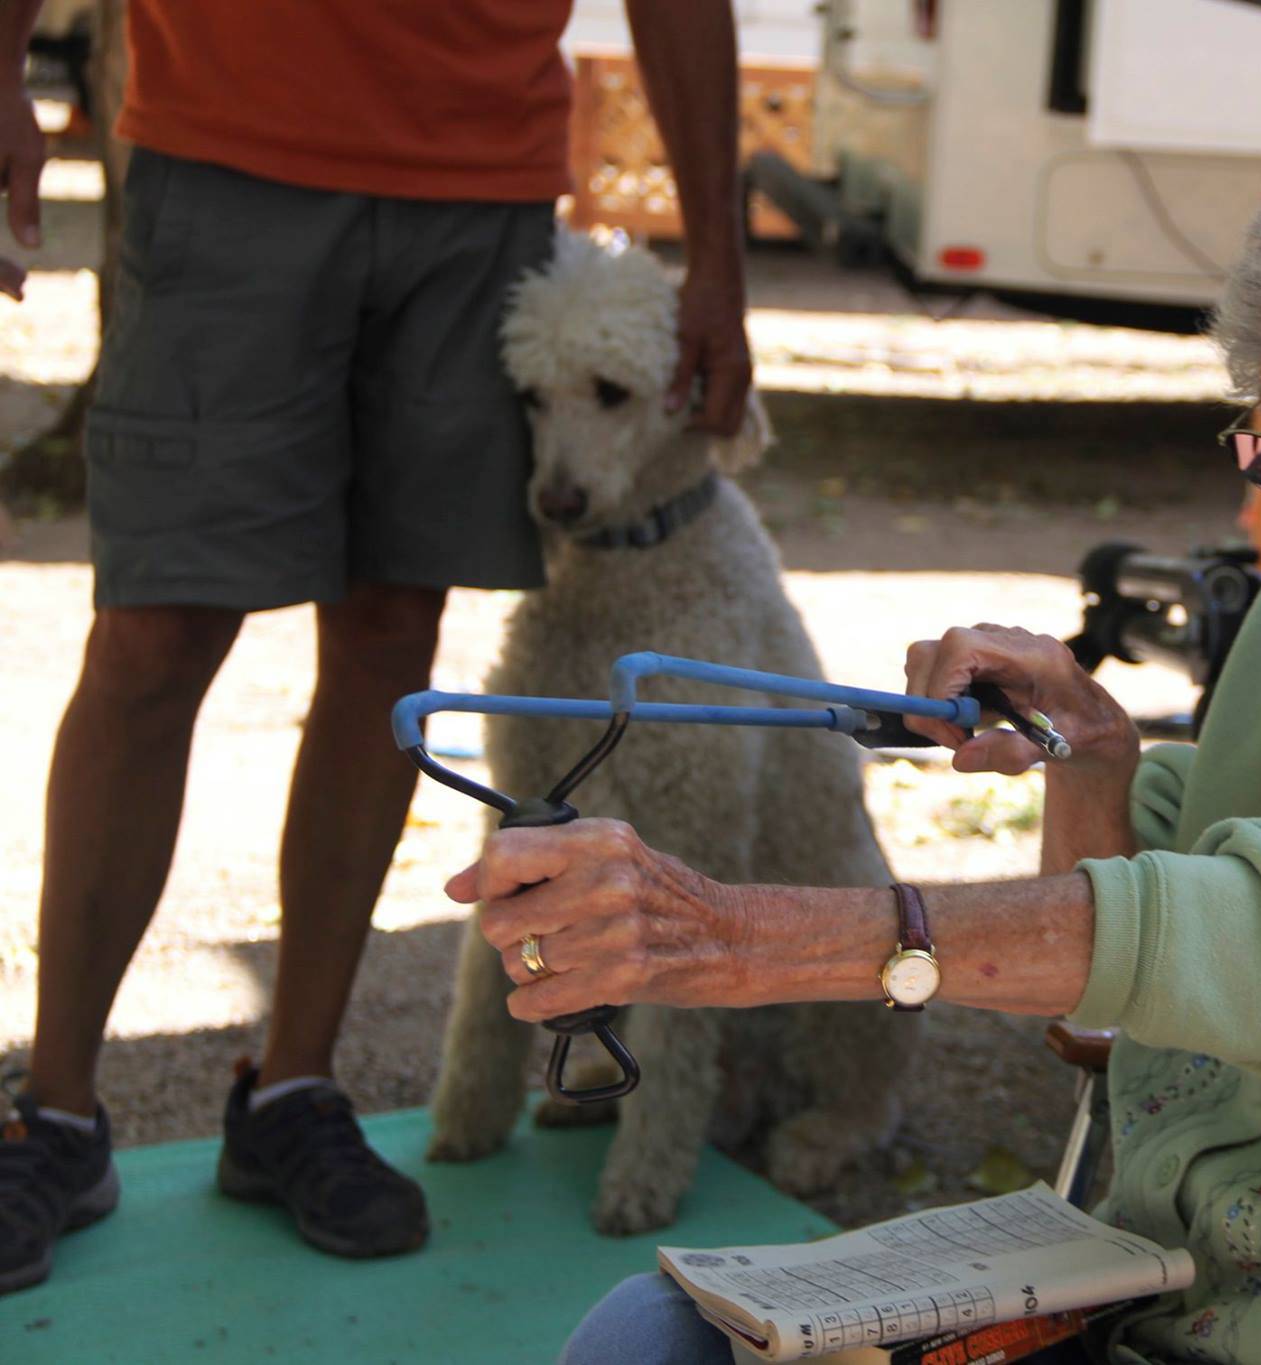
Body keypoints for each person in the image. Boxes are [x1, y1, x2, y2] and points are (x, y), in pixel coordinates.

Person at [453, 93, 1261, 1364]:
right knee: (648, 1337)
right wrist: (1093, 762)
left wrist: (742, 935)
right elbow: (1123, 1015)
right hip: (1191, 1299)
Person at [0, 1, 752, 1293]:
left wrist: (721, 259)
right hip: (226, 142)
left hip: (477, 185)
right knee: (156, 629)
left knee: (392, 633)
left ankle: (292, 1088)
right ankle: (54, 1112)